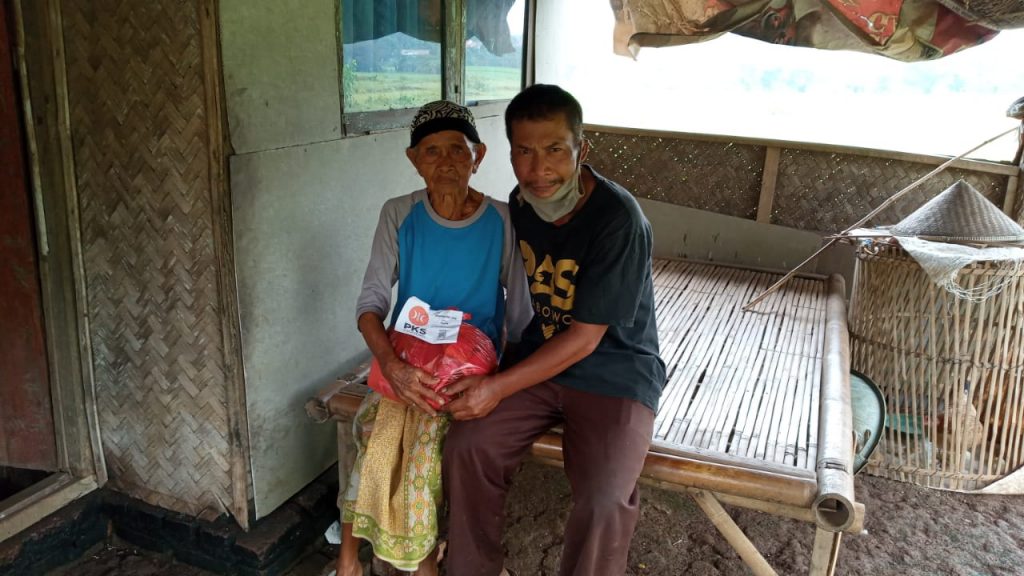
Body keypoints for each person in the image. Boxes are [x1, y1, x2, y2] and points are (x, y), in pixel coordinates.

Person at [442, 84, 667, 576]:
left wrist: (494, 387)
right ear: (510, 154)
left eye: (554, 150)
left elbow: (586, 338)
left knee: (605, 497)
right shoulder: (522, 204)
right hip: (540, 358)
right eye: (524, 151)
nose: (539, 169)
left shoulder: (619, 220)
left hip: (614, 370)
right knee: (467, 447)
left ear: (581, 150)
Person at [336, 100, 531, 576]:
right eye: (431, 151)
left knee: (423, 449)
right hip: (406, 362)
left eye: (457, 150)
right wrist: (393, 367)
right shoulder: (399, 214)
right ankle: (349, 560)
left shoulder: (502, 220)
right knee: (375, 434)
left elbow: (520, 315)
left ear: (478, 156)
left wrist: (500, 382)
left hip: (469, 368)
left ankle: (420, 563)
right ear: (413, 160)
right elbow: (370, 304)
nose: (445, 162)